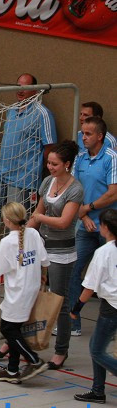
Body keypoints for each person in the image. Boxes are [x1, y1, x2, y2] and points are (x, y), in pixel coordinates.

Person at [0, 202, 50, 384]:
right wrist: (43, 277)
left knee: (8, 328)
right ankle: (12, 371)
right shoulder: (33, 233)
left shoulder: (8, 242)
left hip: (18, 291)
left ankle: (34, 359)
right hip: (31, 287)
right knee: (16, 329)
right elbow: (44, 260)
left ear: (6, 220)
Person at [0, 74, 56, 256]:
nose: (20, 90)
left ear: (35, 90)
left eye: (25, 87)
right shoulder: (11, 110)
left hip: (22, 178)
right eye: (18, 86)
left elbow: (50, 147)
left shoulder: (42, 114)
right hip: (1, 172)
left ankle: (12, 265)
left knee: (15, 221)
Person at [26, 140, 83, 369]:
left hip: (62, 252)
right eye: (48, 163)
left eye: (55, 164)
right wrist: (23, 234)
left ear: (67, 164)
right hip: (42, 248)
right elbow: (36, 213)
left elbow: (63, 222)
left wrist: (39, 219)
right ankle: (24, 342)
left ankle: (61, 350)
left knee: (60, 300)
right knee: (30, 294)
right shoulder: (48, 182)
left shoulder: (76, 189)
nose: (50, 167)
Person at [67, 116, 117, 335]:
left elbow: (112, 193)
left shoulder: (111, 158)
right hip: (85, 226)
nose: (83, 137)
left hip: (109, 229)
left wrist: (89, 208)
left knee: (110, 279)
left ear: (100, 136)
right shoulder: (79, 158)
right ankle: (73, 323)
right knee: (73, 272)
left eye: (88, 134)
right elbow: (74, 189)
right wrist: (83, 215)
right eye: (82, 133)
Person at [70, 208, 117, 404]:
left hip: (112, 307)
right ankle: (98, 390)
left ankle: (98, 390)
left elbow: (89, 287)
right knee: (98, 347)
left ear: (105, 227)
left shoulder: (103, 253)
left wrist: (75, 309)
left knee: (97, 350)